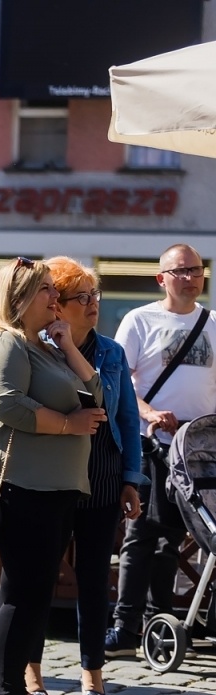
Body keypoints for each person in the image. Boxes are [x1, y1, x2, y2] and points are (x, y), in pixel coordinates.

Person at [0, 257, 106, 695]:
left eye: (53, 288)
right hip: (20, 484)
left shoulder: (46, 345)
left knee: (35, 590)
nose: (55, 297)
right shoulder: (6, 342)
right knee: (21, 589)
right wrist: (68, 425)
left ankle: (21, 689)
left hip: (56, 486)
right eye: (45, 290)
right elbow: (8, 404)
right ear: (19, 298)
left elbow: (96, 394)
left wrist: (68, 345)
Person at [26, 258, 144, 695]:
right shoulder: (34, 349)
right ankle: (31, 672)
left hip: (104, 478)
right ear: (57, 304)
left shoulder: (111, 352)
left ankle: (92, 675)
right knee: (38, 578)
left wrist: (130, 480)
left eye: (96, 296)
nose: (93, 305)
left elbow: (127, 421)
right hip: (52, 480)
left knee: (95, 581)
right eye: (82, 298)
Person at [105, 243, 216, 658]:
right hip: (150, 445)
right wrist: (150, 413)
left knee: (174, 539)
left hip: (198, 451)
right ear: (162, 278)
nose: (190, 278)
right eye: (180, 271)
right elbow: (116, 384)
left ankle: (160, 624)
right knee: (140, 535)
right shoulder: (140, 320)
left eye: (196, 270)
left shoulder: (213, 324)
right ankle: (125, 627)